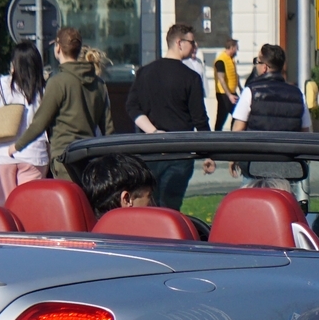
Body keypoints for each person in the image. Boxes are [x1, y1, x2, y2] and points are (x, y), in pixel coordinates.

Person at [9, 26, 112, 179]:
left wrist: (17, 146)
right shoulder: (99, 84)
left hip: (64, 157)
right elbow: (108, 128)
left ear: (58, 48)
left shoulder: (58, 82)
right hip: (90, 156)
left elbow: (40, 123)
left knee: (68, 200)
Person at [129, 21, 212, 208]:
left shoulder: (144, 73)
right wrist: (209, 153)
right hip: (179, 152)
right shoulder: (191, 77)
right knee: (171, 207)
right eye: (192, 42)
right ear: (179, 43)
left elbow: (132, 107)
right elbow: (200, 118)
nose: (194, 47)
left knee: (148, 206)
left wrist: (153, 131)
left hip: (149, 151)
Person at [0, 41, 50, 203]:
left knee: (6, 206)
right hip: (35, 154)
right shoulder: (43, 88)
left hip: (1, 154)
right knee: (29, 206)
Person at [229, 43, 308, 131]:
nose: (256, 65)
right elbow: (305, 132)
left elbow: (237, 130)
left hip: (257, 144)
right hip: (289, 145)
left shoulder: (251, 92)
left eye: (257, 62)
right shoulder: (298, 95)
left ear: (265, 68)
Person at [74, 152, 155, 218]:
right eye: (149, 196)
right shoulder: (153, 234)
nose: (154, 205)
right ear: (126, 199)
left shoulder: (81, 236)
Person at [211, 38, 241, 130]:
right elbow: (221, 79)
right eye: (236, 48)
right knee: (229, 115)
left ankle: (232, 132)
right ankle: (217, 136)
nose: (237, 50)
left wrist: (240, 87)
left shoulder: (231, 59)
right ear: (231, 48)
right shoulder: (221, 60)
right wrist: (229, 95)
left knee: (236, 114)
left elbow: (235, 74)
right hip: (224, 93)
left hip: (231, 92)